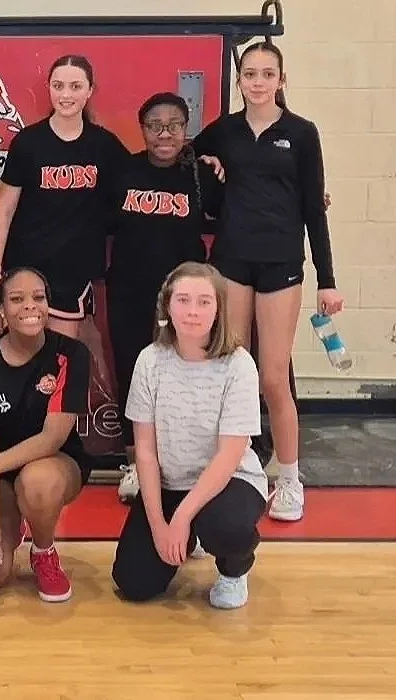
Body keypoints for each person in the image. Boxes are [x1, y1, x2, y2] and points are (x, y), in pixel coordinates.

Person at [192, 41, 344, 523]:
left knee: (273, 374)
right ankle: (235, 462)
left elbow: (313, 211)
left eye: (266, 74)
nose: (257, 82)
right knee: (231, 367)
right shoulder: (225, 131)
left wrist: (329, 279)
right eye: (249, 74)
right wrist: (209, 166)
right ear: (239, 81)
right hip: (233, 259)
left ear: (282, 79)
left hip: (281, 263)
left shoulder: (301, 133)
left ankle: (290, 477)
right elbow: (188, 156)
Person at [111, 261, 268, 610]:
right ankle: (190, 534)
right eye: (183, 300)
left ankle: (234, 570)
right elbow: (146, 453)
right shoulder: (149, 361)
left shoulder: (238, 364)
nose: (192, 311)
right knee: (133, 583)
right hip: (170, 484)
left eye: (203, 302)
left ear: (219, 309)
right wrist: (158, 524)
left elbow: (229, 455)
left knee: (225, 527)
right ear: (167, 305)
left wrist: (181, 517)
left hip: (229, 481)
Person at [106, 93, 224, 503]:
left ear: (186, 128)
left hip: (183, 299)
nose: (164, 133)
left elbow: (242, 209)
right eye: (155, 125)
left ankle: (183, 464)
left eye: (174, 124)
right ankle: (133, 463)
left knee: (184, 376)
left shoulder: (201, 176)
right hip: (129, 290)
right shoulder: (123, 171)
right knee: (133, 373)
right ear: (142, 130)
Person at [0, 268, 93, 602]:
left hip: (56, 465)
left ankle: (43, 551)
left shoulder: (71, 355)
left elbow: (51, 439)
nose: (30, 306)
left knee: (36, 482)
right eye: (17, 299)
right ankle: (9, 523)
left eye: (39, 298)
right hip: (1, 475)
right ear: (1, 309)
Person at [0, 54, 130, 341]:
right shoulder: (28, 142)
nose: (66, 94)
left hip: (74, 271)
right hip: (25, 266)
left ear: (89, 91)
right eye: (58, 85)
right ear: (49, 88)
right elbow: (5, 209)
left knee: (63, 359)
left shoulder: (104, 145)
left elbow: (142, 175)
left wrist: (200, 159)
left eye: (76, 86)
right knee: (22, 352)